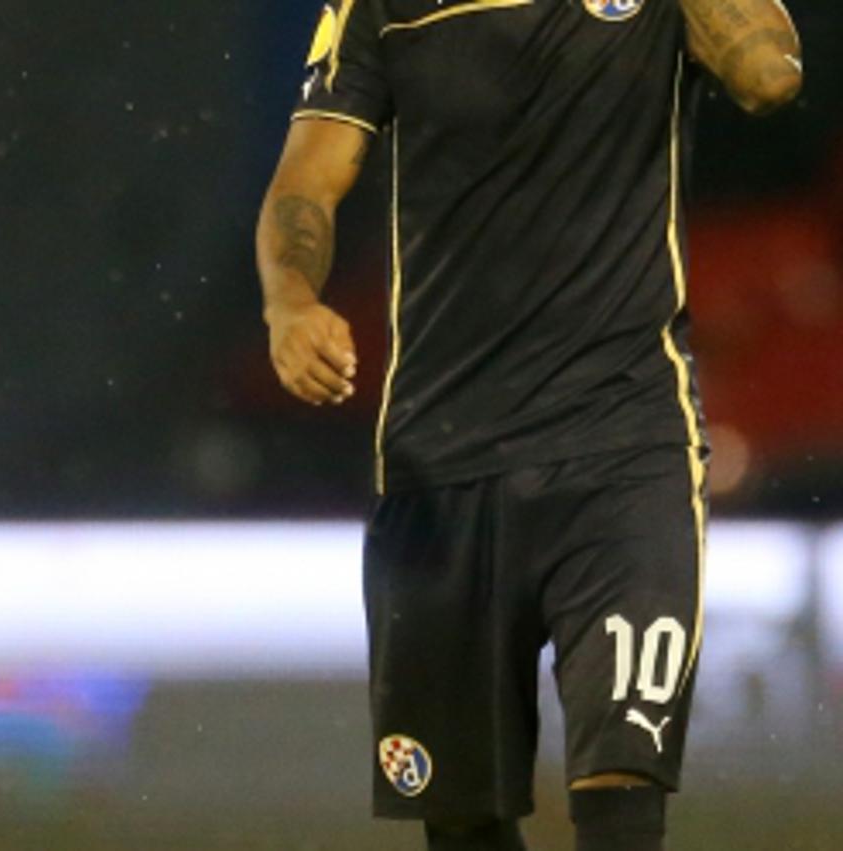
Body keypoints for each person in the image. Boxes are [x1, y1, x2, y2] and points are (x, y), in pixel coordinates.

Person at [255, 1, 801, 849]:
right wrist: (290, 304)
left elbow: (770, 76)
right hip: (441, 462)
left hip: (624, 450)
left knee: (622, 785)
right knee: (462, 816)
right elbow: (306, 181)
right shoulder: (380, 8)